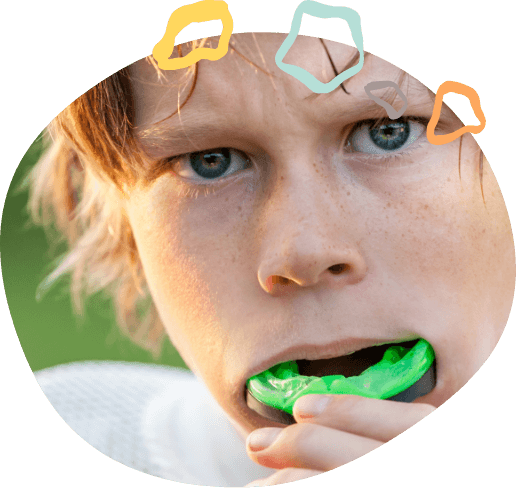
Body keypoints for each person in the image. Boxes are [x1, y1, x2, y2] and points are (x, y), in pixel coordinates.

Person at [21, 32, 515, 486]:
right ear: (122, 222)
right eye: (210, 161)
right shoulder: (88, 421)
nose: (304, 253)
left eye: (388, 131)